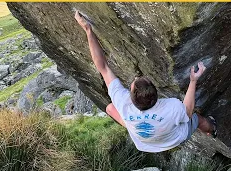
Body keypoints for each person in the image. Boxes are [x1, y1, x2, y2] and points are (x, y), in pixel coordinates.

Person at [75, 11, 217, 153]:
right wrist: (193, 80)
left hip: (145, 144)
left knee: (110, 108)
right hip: (174, 139)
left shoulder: (123, 104)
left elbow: (103, 68)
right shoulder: (171, 106)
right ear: (156, 95)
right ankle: (212, 129)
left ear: (131, 98)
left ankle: (133, 125)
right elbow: (188, 111)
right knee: (197, 118)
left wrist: (88, 30)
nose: (136, 78)